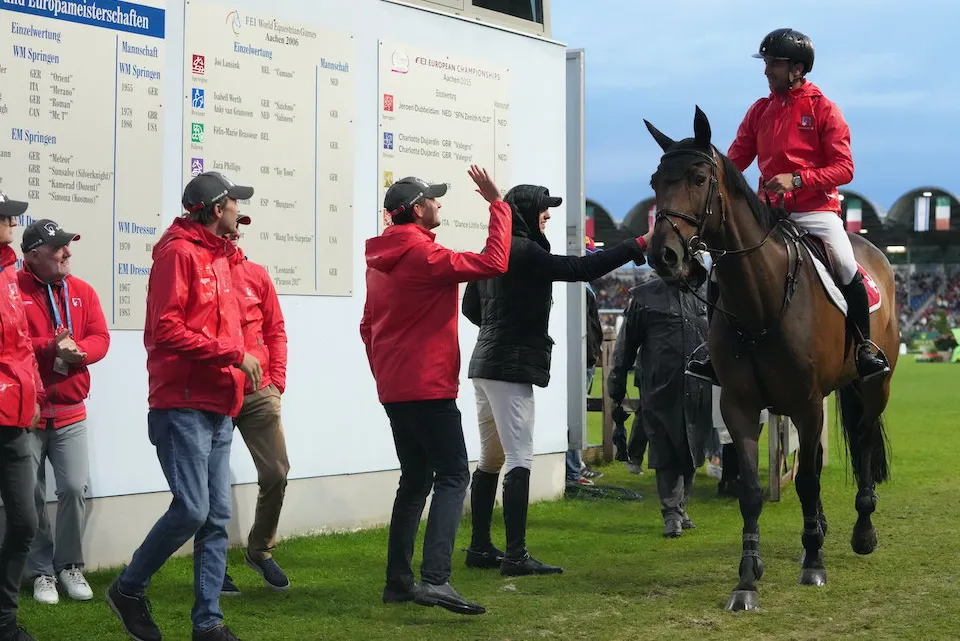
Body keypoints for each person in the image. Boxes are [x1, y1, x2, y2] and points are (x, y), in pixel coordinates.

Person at [461, 184, 651, 575]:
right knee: (517, 458)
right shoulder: (527, 251)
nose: (547, 215)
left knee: (491, 458)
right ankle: (515, 555)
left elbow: (470, 308)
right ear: (526, 212)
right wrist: (636, 245)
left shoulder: (493, 250)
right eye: (543, 210)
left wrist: (502, 325)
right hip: (509, 367)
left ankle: (480, 547)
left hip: (484, 364)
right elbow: (580, 269)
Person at [685, 28, 890, 386]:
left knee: (844, 264)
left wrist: (797, 180)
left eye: (774, 64)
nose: (766, 71)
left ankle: (864, 347)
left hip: (816, 211)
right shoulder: (759, 110)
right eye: (765, 63)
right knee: (721, 268)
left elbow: (845, 169)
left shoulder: (824, 109)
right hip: (769, 213)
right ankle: (713, 351)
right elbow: (736, 161)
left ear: (797, 68)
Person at [106, 171, 261, 641]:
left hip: (217, 402)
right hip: (183, 403)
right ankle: (129, 588)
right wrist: (234, 356)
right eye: (235, 202)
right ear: (217, 208)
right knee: (194, 510)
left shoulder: (223, 258)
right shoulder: (178, 253)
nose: (240, 210)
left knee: (215, 518)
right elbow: (166, 330)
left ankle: (208, 623)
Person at [360, 166, 510, 616]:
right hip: (428, 388)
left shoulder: (381, 262)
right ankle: (436, 580)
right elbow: (494, 263)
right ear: (417, 209)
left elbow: (367, 326)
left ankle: (399, 582)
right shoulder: (427, 257)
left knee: (415, 481)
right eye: (434, 199)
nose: (440, 204)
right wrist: (496, 204)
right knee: (452, 475)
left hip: (397, 389)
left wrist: (386, 374)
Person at [18, 219, 109, 605]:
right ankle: (41, 571)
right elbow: (12, 343)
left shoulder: (82, 291)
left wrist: (81, 352)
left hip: (71, 408)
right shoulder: (12, 291)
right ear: (34, 255)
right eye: (58, 248)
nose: (67, 252)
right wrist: (50, 348)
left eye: (68, 245)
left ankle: (69, 564)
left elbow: (100, 337)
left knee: (74, 488)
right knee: (30, 495)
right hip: (28, 412)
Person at [608, 273, 713, 537]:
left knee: (692, 448)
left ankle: (680, 506)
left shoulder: (707, 290)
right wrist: (617, 383)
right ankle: (671, 513)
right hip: (659, 388)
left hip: (699, 387)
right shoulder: (644, 296)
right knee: (666, 449)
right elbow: (625, 346)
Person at [221, 225, 290, 595]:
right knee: (208, 485)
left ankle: (260, 550)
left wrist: (276, 381)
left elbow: (276, 329)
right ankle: (212, 565)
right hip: (214, 390)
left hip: (259, 390)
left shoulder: (255, 274)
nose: (233, 236)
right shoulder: (199, 272)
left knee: (276, 471)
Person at [0, 191, 44, 641]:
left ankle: (4, 620)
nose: (13, 219)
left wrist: (33, 391)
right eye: (4, 214)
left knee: (25, 520)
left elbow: (20, 344)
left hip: (13, 418)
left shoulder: (10, 269)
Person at [565, 237, 605, 487]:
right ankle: (572, 470)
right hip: (581, 359)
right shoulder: (580, 285)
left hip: (585, 358)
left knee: (577, 414)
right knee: (573, 416)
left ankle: (576, 465)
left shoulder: (584, 285)